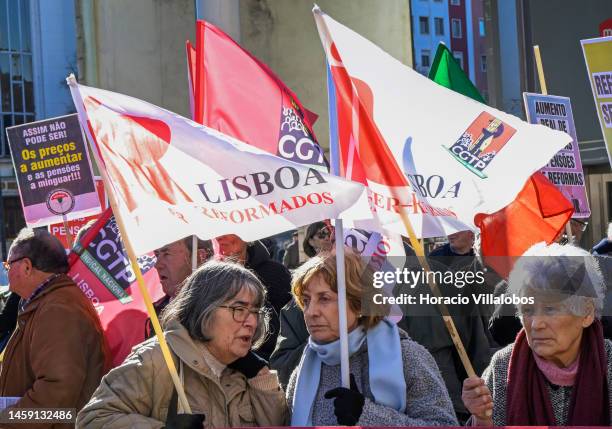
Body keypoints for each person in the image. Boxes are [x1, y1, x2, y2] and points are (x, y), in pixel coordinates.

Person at [77, 261, 287, 428]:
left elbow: (277, 424)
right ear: (205, 309)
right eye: (239, 309)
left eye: (255, 312)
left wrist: (261, 377)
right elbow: (93, 419)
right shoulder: (158, 359)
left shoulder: (249, 372)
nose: (251, 321)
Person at [287, 249, 457, 426]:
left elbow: (445, 424)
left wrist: (366, 413)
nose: (311, 312)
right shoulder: (305, 369)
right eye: (306, 300)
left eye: (324, 299)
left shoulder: (407, 356)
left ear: (359, 303)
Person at [462, 242, 612, 426]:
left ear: (587, 313)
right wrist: (481, 418)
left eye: (550, 309)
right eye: (528, 310)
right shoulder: (503, 365)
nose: (536, 324)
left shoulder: (609, 361)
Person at [0, 228, 107, 426]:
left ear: (26, 267)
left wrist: (7, 419)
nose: (7, 271)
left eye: (8, 264)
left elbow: (56, 395)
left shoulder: (58, 309)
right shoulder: (48, 303)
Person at [216, 234, 291, 359]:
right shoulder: (208, 277)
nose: (219, 237)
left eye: (227, 230)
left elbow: (287, 333)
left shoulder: (276, 274)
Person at [145, 236, 213, 338]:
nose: (157, 265)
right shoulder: (156, 312)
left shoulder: (225, 306)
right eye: (157, 254)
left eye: (167, 254)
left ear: (199, 257)